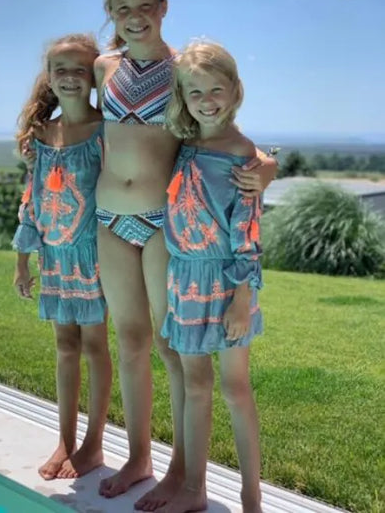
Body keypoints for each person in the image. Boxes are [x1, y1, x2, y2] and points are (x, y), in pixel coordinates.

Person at [93, 0, 276, 504]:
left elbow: (224, 131)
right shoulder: (104, 67)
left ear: (163, 7)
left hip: (162, 222)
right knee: (129, 340)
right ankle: (139, 457)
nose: (134, 17)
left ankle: (182, 473)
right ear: (110, 13)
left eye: (144, 5)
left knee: (171, 347)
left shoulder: (182, 70)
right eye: (121, 8)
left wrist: (267, 166)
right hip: (108, 216)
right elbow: (78, 114)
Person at [158, 40, 264, 513]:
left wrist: (242, 297)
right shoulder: (185, 145)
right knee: (195, 384)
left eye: (216, 89)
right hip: (185, 279)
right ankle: (193, 489)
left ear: (235, 91)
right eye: (195, 91)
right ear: (183, 96)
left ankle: (251, 495)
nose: (206, 101)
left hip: (229, 281)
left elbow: (249, 229)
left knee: (235, 388)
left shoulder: (243, 155)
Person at [13, 33, 112, 481]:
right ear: (49, 77)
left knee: (94, 346)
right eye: (61, 69)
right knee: (65, 347)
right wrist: (22, 260)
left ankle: (94, 444)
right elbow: (32, 199)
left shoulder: (106, 131)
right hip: (53, 258)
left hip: (93, 258)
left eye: (79, 69)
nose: (70, 77)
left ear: (93, 77)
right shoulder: (42, 134)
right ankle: (65, 441)